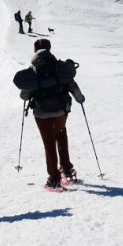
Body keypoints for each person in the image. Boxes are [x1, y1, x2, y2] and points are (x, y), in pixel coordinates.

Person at [19, 38, 84, 191]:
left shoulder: (33, 70)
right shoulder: (58, 66)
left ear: (35, 51)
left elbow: (24, 96)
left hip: (41, 113)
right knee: (61, 134)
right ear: (49, 49)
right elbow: (71, 84)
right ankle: (67, 169)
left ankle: (54, 179)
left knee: (48, 141)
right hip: (60, 110)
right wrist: (80, 98)